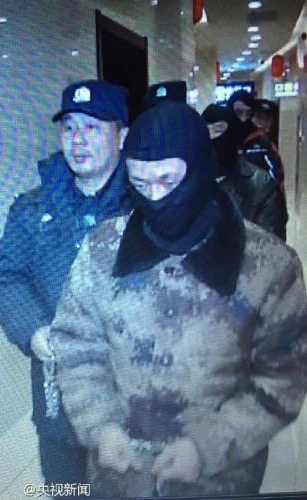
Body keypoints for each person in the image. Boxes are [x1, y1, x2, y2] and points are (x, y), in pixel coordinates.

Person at [50, 102, 307, 498]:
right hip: (120, 476)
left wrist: (207, 447)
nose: (154, 197)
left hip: (220, 480)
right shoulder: (102, 249)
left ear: (200, 170)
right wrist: (101, 427)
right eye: (140, 183)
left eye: (168, 180)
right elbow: (77, 346)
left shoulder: (269, 264)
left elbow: (283, 377)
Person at [0, 80, 130, 493]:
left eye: (92, 127)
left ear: (122, 135)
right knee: (66, 489)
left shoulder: (144, 204)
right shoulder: (33, 207)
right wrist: (33, 329)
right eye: (69, 127)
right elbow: (5, 278)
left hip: (129, 394)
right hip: (59, 393)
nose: (78, 140)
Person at [202, 103, 288, 241]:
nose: (212, 137)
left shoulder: (262, 185)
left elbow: (272, 245)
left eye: (218, 130)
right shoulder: (187, 182)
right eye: (206, 131)